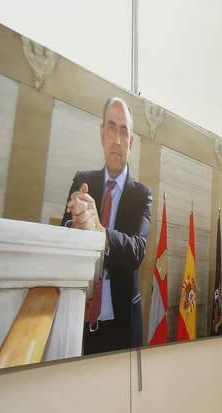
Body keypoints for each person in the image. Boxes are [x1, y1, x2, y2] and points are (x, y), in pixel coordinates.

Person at [62, 97, 152, 355]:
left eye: (124, 131)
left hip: (122, 326)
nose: (117, 139)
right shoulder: (82, 181)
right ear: (102, 134)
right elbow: (63, 229)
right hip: (78, 318)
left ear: (131, 143)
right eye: (111, 128)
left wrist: (99, 232)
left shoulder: (142, 194)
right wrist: (76, 223)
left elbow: (138, 250)